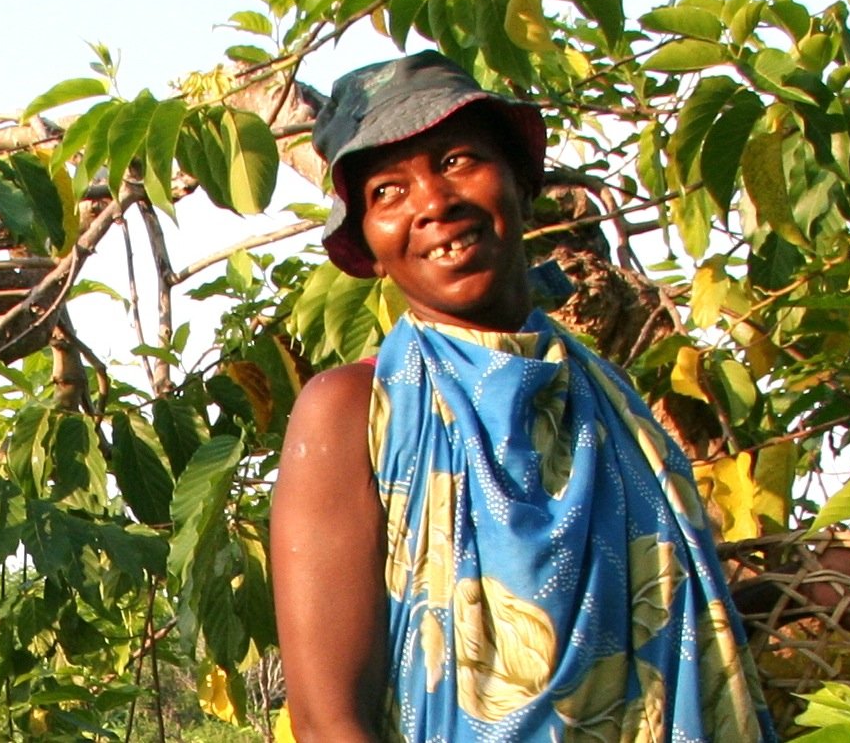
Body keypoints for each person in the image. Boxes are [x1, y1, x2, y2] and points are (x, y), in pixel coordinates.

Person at [267, 51, 774, 741]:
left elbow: (668, 616)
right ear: (367, 244)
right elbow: (328, 721)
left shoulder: (606, 397)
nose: (433, 203)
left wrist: (810, 585)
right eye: (388, 190)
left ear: (521, 184)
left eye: (457, 161)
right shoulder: (353, 410)